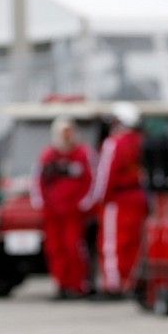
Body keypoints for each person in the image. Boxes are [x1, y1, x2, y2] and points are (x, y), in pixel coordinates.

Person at [79, 102, 147, 298]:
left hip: (116, 200)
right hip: (138, 198)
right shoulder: (141, 141)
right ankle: (131, 283)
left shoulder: (114, 143)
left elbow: (105, 176)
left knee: (112, 244)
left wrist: (97, 201)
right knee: (134, 243)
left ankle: (114, 285)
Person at [30, 117, 93, 299]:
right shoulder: (48, 156)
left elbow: (92, 180)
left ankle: (78, 285)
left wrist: (84, 203)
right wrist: (41, 203)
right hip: (53, 213)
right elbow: (38, 181)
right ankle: (62, 285)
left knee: (74, 248)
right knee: (55, 249)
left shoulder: (82, 154)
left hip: (73, 213)